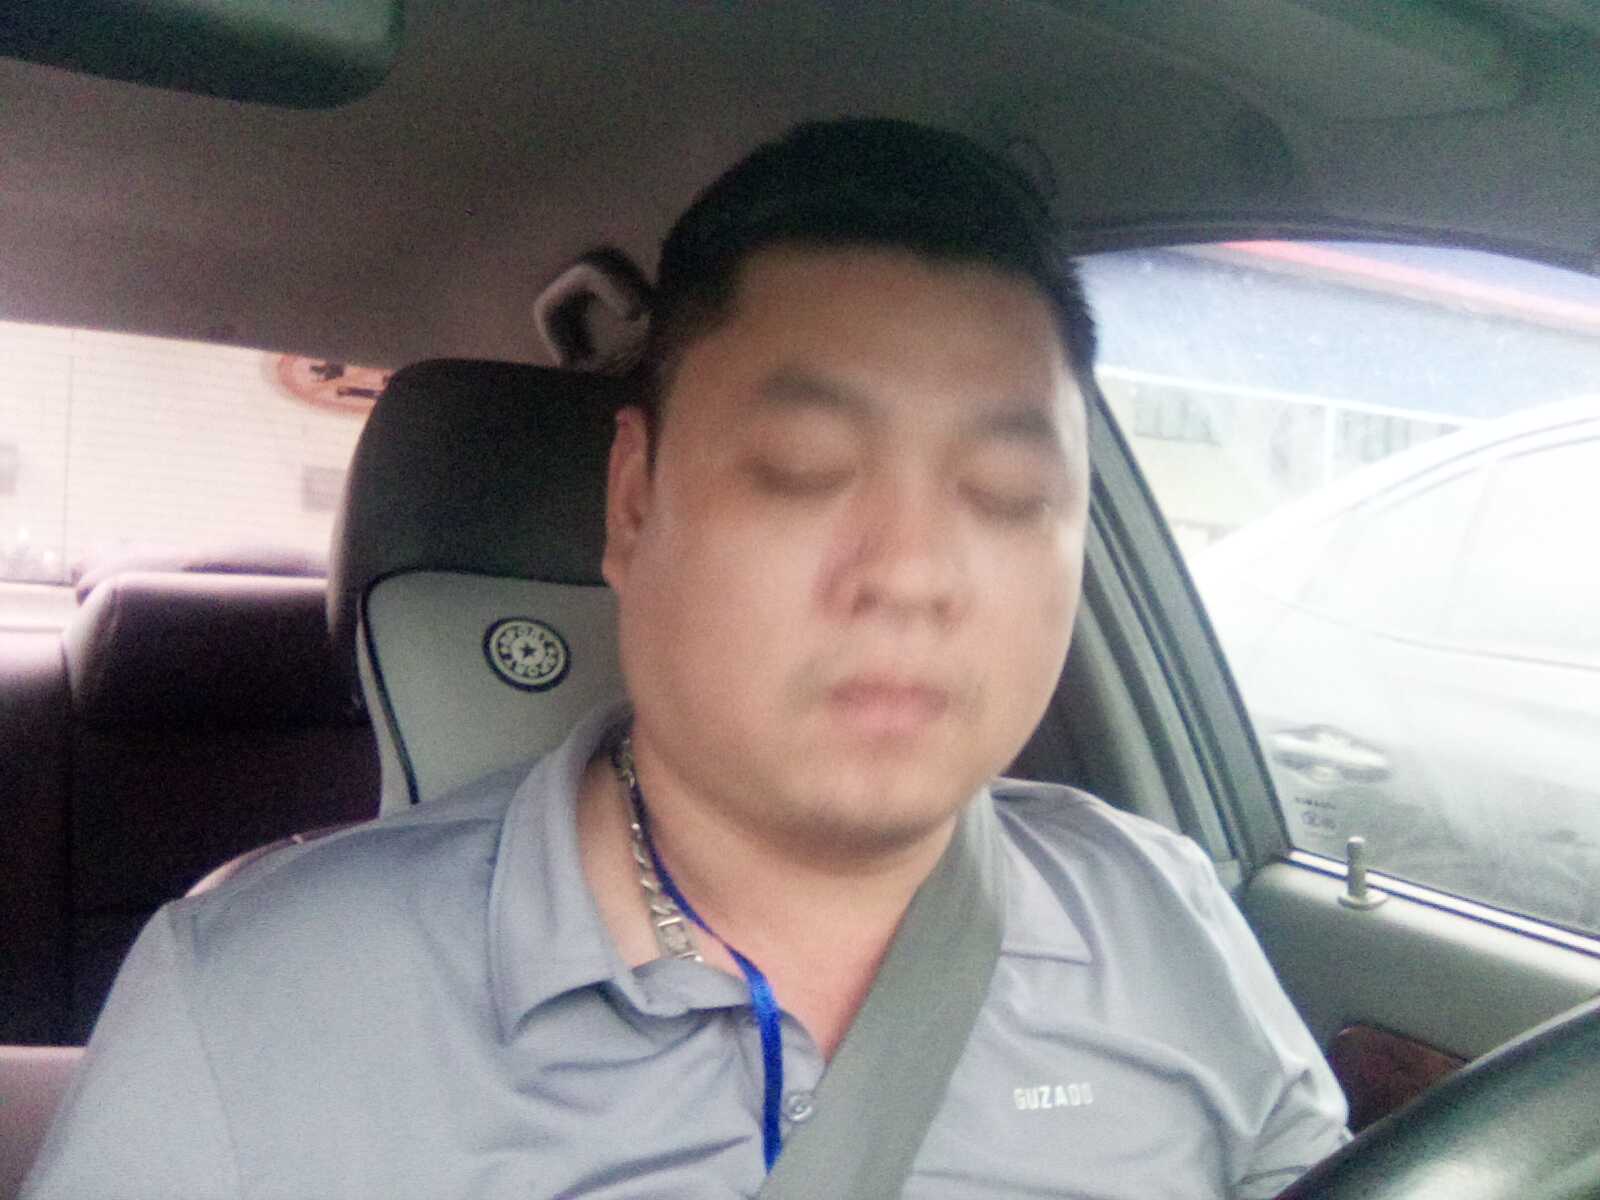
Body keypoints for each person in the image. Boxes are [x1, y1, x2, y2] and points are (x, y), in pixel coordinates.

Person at [25, 119, 1349, 1198]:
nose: (911, 573)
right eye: (804, 469)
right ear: (634, 504)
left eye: (1009, 493)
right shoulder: (255, 1008)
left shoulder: (1163, 916)